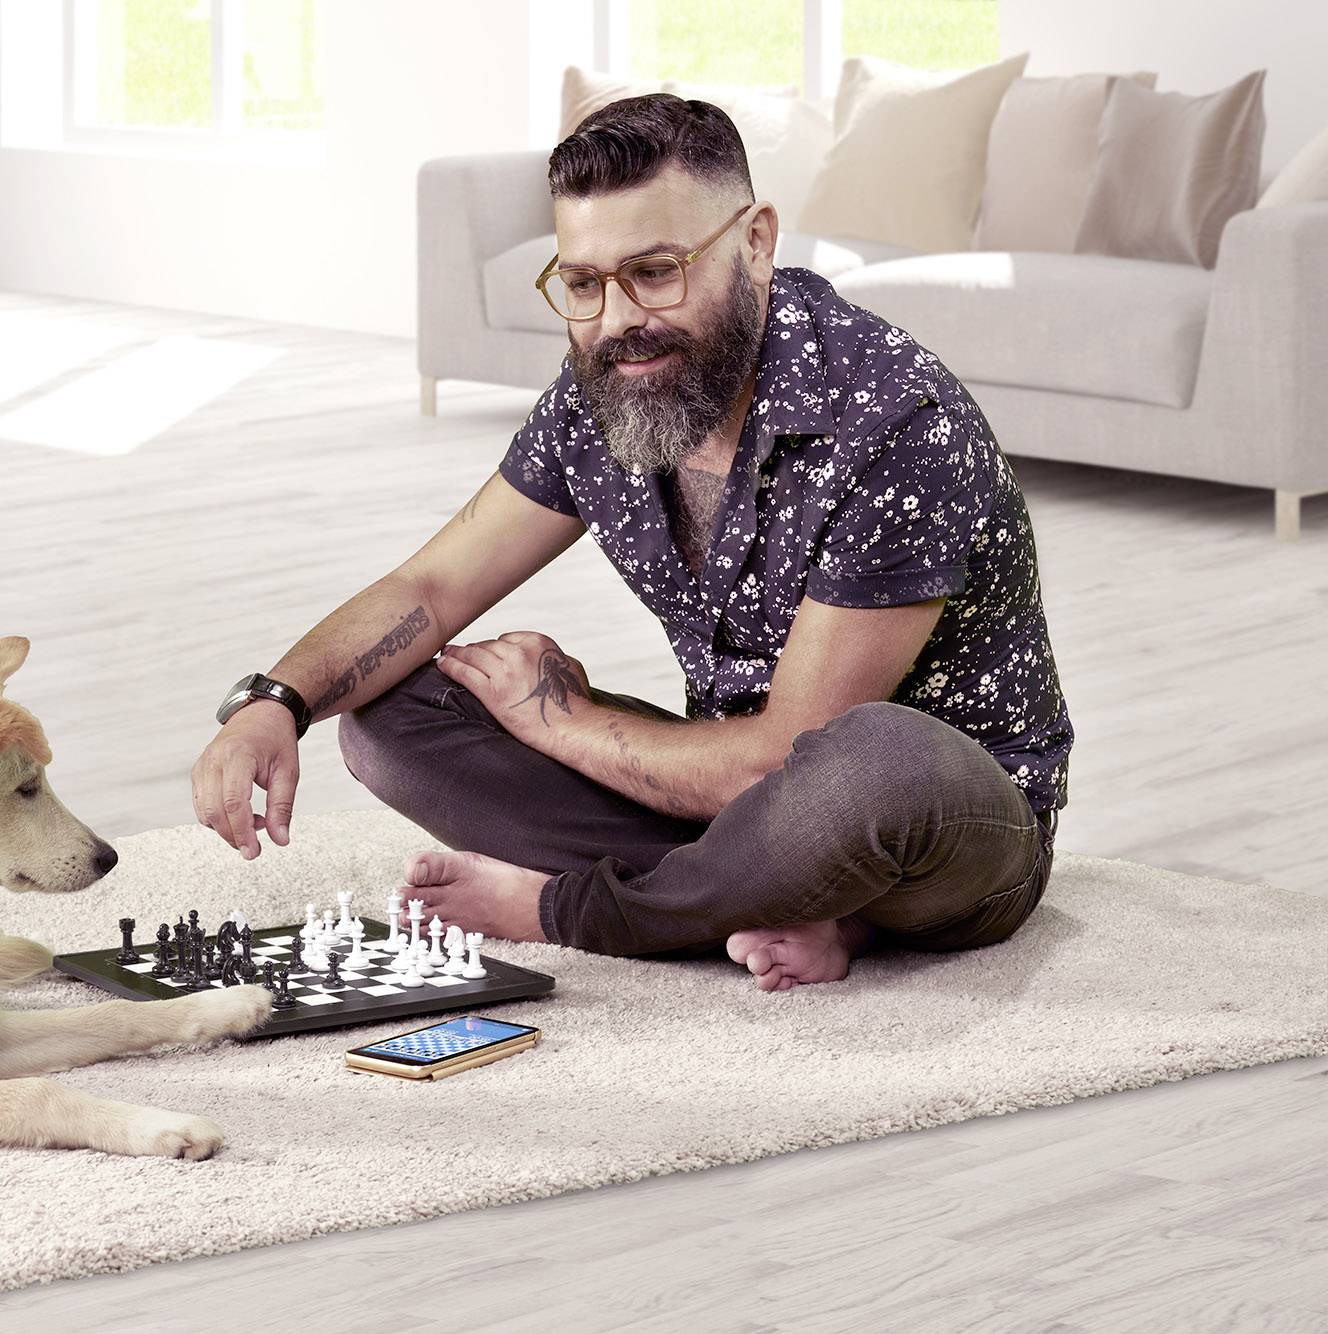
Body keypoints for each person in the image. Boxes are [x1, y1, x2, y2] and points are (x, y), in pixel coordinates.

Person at [189, 93, 1074, 992]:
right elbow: (433, 590)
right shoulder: (608, 390)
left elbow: (786, 755)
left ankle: (579, 908)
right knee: (393, 714)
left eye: (655, 272)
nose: (616, 320)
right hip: (735, 808)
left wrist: (561, 722)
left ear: (757, 241)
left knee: (864, 770)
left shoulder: (889, 421)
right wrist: (276, 701)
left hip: (939, 834)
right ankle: (768, 902)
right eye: (583, 284)